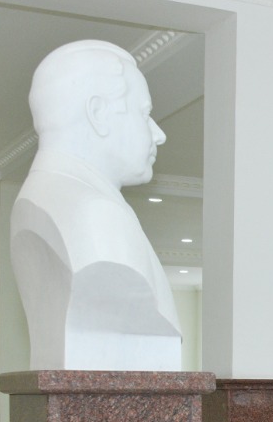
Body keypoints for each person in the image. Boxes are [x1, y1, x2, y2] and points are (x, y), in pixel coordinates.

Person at [11, 40, 182, 371]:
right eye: (145, 114)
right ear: (98, 113)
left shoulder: (36, 201)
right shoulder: (95, 216)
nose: (158, 134)